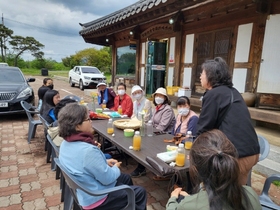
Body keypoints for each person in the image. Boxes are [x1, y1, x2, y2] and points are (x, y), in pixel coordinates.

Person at [58, 103, 147, 210]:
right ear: (77, 126)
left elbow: (83, 164)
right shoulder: (88, 150)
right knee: (140, 192)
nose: (91, 121)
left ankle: (129, 206)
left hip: (85, 190)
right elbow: (107, 178)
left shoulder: (65, 143)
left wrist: (104, 162)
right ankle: (130, 203)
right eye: (88, 119)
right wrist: (115, 167)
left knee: (126, 178)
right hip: (97, 199)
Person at [196, 57, 260, 185]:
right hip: (252, 152)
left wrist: (194, 153)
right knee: (237, 193)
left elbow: (204, 128)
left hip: (236, 156)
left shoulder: (213, 94)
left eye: (202, 73)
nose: (200, 77)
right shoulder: (233, 92)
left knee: (219, 194)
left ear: (210, 76)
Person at [166, 129, 262, 210]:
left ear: (195, 168)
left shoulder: (185, 206)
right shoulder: (251, 195)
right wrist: (192, 199)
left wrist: (173, 198)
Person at [131, 87, 175, 178]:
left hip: (164, 136)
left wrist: (150, 131)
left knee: (146, 144)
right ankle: (142, 165)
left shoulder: (167, 109)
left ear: (165, 98)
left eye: (160, 96)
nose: (158, 97)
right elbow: (151, 121)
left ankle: (142, 168)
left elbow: (162, 127)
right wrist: (146, 128)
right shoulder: (157, 108)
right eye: (157, 95)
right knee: (141, 138)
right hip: (156, 133)